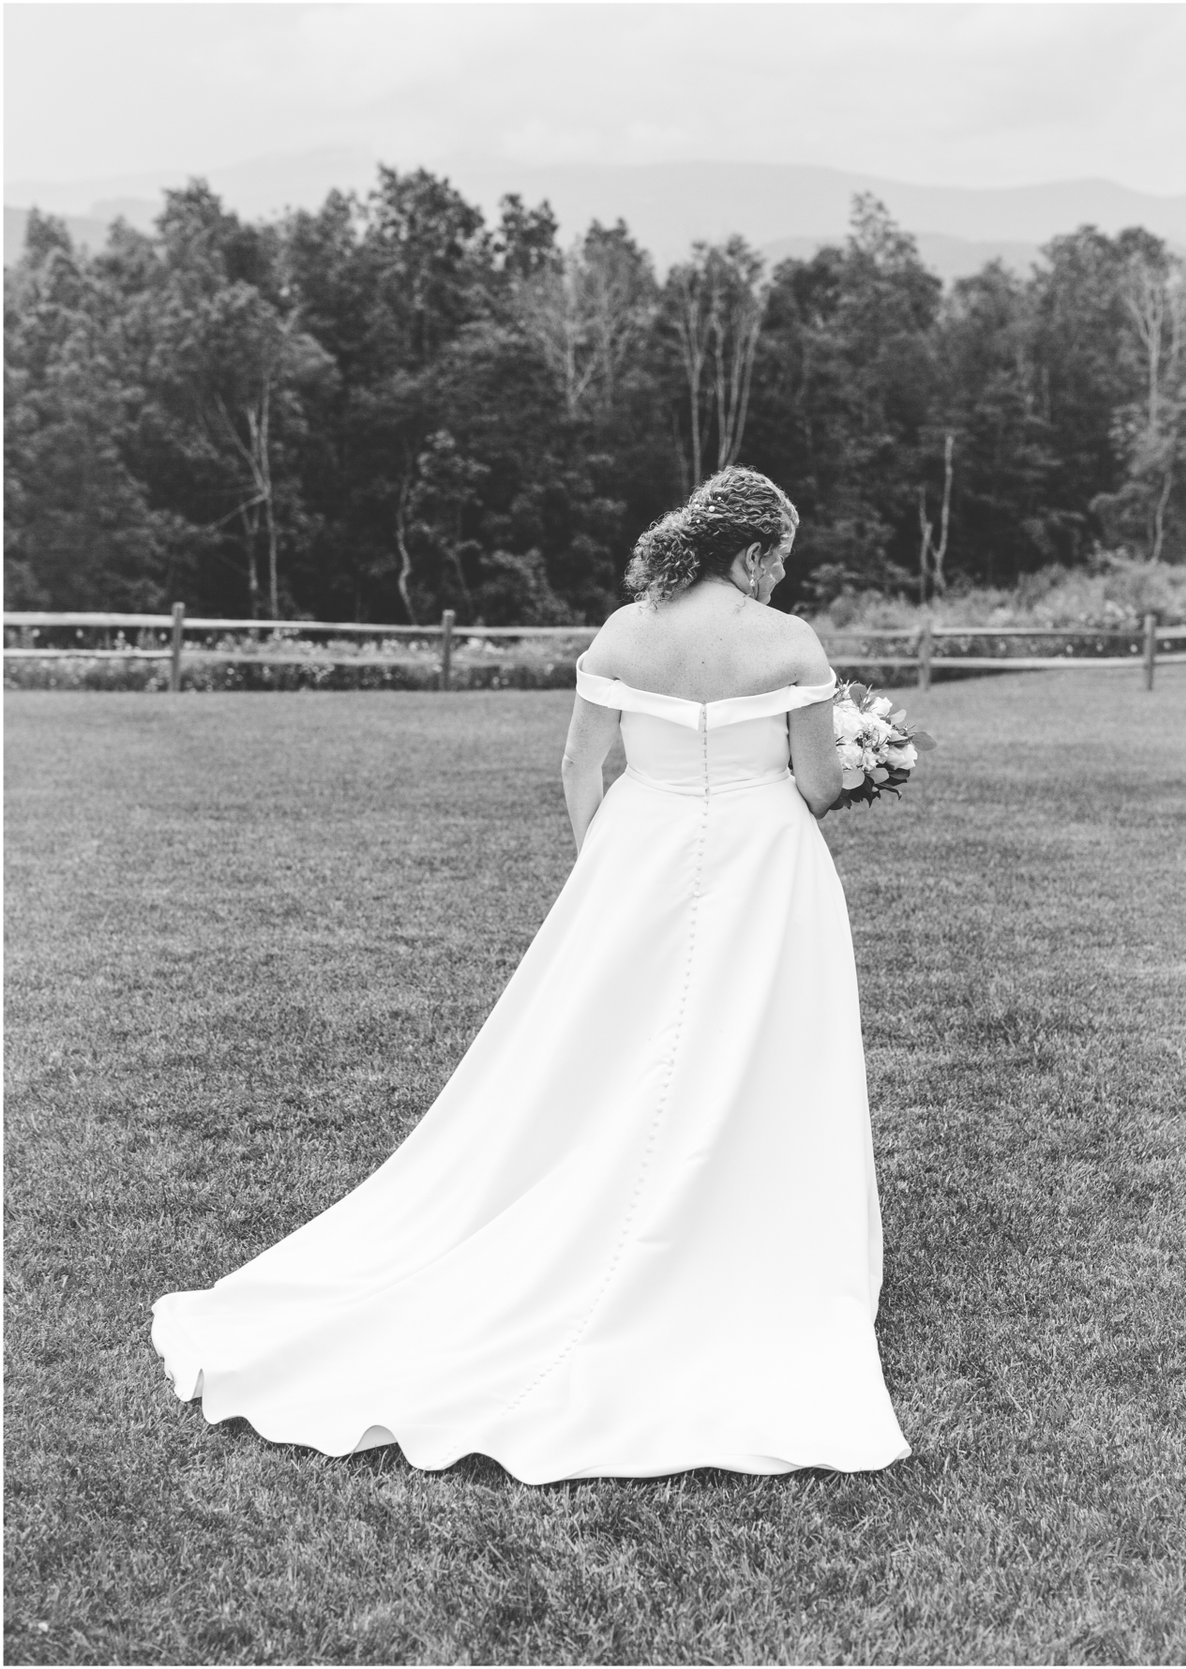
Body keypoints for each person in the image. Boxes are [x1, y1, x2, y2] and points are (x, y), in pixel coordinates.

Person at [153, 466, 910, 1484]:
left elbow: (578, 767)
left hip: (635, 858)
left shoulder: (620, 631)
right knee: (759, 1047)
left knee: (610, 1055)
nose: (781, 576)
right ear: (751, 551)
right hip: (763, 869)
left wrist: (612, 874)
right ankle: (740, 1238)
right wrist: (857, 763)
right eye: (779, 556)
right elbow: (813, 781)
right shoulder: (789, 644)